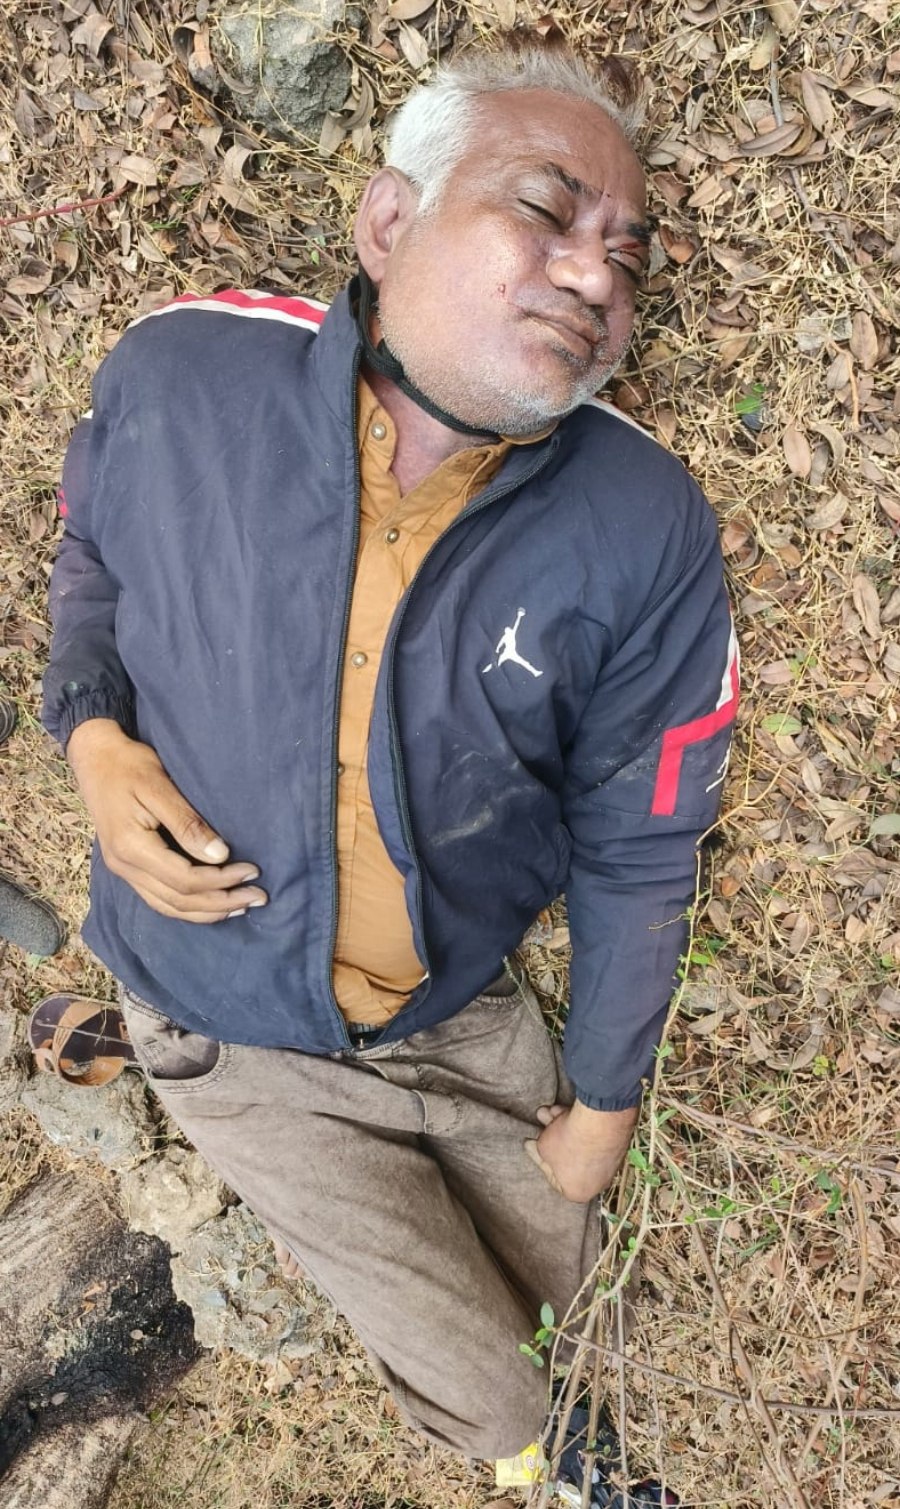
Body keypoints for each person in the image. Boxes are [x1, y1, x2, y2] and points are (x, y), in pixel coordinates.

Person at [42, 35, 736, 1505]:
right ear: (387, 220)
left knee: (578, 1273)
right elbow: (93, 543)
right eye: (545, 209)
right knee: (502, 1392)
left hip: (448, 1006)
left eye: (627, 253)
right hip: (225, 1019)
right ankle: (555, 1471)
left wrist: (604, 1101)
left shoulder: (644, 520)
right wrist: (92, 734)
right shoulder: (186, 368)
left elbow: (641, 833)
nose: (597, 273)